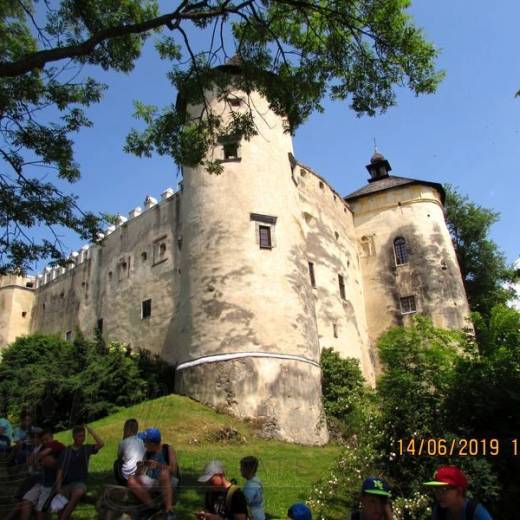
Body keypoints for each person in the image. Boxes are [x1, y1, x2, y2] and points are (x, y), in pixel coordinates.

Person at [55, 423, 104, 520]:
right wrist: (58, 487)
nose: (82, 438)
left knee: (78, 492)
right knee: (59, 508)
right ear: (74, 437)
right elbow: (60, 470)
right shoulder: (66, 451)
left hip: (79, 483)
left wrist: (91, 431)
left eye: (83, 436)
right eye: (79, 436)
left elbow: (101, 443)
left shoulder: (86, 449)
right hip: (66, 484)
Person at [129, 427, 177, 520]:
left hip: (168, 481)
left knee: (164, 473)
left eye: (145, 442)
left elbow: (173, 470)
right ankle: (153, 507)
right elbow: (138, 475)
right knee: (131, 480)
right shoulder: (147, 452)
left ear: (151, 443)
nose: (144, 444)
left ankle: (169, 510)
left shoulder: (167, 449)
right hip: (153, 481)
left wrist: (158, 465)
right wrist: (140, 467)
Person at [17, 428, 65, 520]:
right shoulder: (43, 447)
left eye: (47, 439)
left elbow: (42, 455)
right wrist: (38, 459)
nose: (45, 442)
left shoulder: (57, 444)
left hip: (51, 483)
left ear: (52, 437)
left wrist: (38, 458)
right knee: (26, 502)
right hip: (41, 481)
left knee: (40, 510)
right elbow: (29, 462)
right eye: (43, 440)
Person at [424, 466, 493, 520]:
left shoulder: (475, 512)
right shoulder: (439, 512)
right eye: (436, 489)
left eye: (444, 489)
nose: (438, 494)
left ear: (459, 491)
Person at [116, 418, 145, 484]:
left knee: (117, 463)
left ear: (126, 429)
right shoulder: (142, 441)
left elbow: (119, 456)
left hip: (127, 475)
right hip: (141, 472)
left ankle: (122, 483)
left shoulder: (123, 442)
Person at [240, 456, 265, 520]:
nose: (240, 469)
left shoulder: (251, 486)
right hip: (259, 514)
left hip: (254, 516)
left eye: (242, 468)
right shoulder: (256, 479)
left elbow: (244, 502)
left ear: (248, 470)